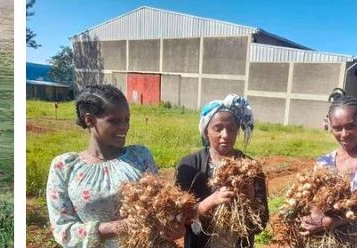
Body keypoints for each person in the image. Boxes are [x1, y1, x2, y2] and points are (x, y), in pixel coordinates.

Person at [46, 84, 172, 247]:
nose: (124, 127)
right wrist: (116, 227)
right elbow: (62, 229)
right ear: (89, 120)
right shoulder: (64, 166)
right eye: (114, 121)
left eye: (127, 119)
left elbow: (159, 207)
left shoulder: (139, 156)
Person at [175, 94, 267, 247]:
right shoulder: (190, 165)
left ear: (237, 131)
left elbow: (261, 224)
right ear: (206, 132)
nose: (225, 135)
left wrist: (251, 200)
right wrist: (211, 202)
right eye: (218, 128)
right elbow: (178, 218)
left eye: (231, 129)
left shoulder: (250, 168)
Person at [301, 88, 357, 237]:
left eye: (350, 126)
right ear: (330, 128)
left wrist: (329, 222)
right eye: (337, 128)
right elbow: (311, 203)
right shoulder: (323, 164)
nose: (344, 134)